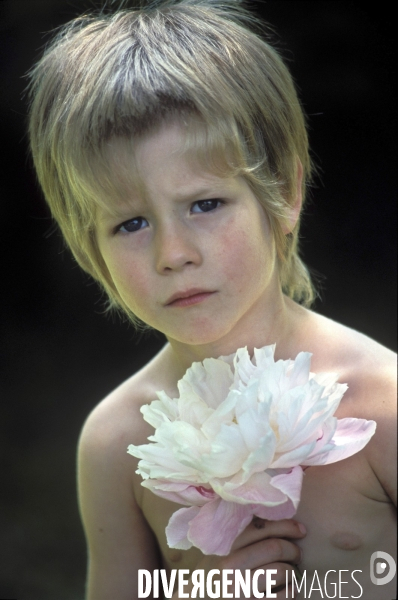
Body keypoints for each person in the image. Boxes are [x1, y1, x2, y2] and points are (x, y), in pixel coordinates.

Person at [27, 1, 396, 598]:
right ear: (88, 247)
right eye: (130, 224)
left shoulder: (383, 405)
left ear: (284, 191)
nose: (173, 253)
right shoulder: (116, 443)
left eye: (205, 204)